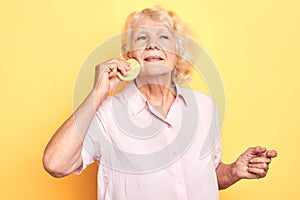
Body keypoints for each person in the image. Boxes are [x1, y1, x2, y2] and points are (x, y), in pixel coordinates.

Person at [43, 6, 277, 200]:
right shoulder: (108, 113)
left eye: (164, 37)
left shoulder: (205, 107)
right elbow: (55, 164)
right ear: (129, 54)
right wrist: (98, 92)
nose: (153, 45)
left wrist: (234, 171)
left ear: (178, 52)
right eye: (142, 37)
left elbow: (207, 176)